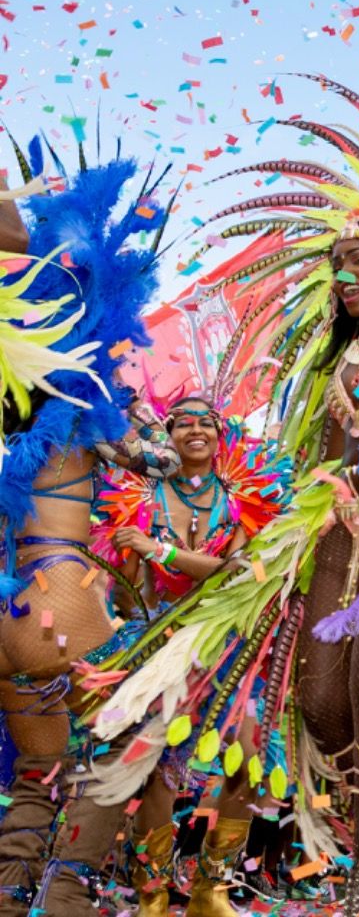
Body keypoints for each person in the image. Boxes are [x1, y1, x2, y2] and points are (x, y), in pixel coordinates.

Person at [85, 14, 359, 917]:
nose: (342, 274)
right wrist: (309, 517)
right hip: (334, 530)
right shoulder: (340, 358)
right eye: (334, 261)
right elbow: (325, 452)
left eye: (358, 258)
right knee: (325, 710)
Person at [0, 139, 180, 916]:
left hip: (32, 591)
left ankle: (18, 887)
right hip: (51, 590)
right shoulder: (77, 391)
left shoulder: (47, 389)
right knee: (128, 725)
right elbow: (155, 455)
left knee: (46, 762)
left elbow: (152, 453)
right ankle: (59, 887)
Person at [88, 395, 287, 916]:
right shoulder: (140, 498)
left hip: (226, 643)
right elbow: (127, 591)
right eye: (183, 424)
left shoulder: (245, 498)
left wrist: (160, 551)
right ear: (168, 436)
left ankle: (211, 889)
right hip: (159, 645)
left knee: (253, 759)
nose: (195, 431)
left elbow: (232, 572)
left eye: (205, 423)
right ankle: (152, 892)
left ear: (220, 435)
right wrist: (132, 577)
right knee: (155, 768)